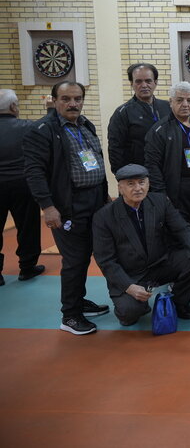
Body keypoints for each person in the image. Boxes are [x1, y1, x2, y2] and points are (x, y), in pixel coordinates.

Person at [23, 81, 110, 335]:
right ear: (54, 100)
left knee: (87, 254)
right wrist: (48, 206)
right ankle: (70, 315)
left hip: (95, 200)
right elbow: (34, 172)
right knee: (75, 259)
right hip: (68, 205)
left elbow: (95, 160)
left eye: (77, 98)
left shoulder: (85, 125)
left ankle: (79, 301)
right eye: (66, 99)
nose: (73, 104)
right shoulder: (42, 130)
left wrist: (104, 194)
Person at [92, 164, 190, 325]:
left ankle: (178, 303)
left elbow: (183, 229)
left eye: (141, 182)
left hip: (160, 263)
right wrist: (129, 286)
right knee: (129, 314)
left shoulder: (160, 201)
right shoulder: (104, 217)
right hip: (131, 274)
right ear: (120, 188)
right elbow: (106, 261)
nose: (138, 188)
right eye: (131, 184)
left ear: (148, 184)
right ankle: (138, 305)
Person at [144, 82, 190, 256]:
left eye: (189, 100)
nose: (185, 104)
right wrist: (161, 193)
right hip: (178, 188)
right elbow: (152, 166)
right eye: (179, 100)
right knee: (180, 230)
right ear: (170, 102)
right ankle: (186, 268)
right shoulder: (159, 130)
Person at [0, 89, 44, 284]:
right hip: (23, 184)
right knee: (28, 226)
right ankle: (27, 267)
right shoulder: (27, 126)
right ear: (13, 106)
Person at [107, 63, 171, 173]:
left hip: (167, 172)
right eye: (138, 81)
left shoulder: (167, 107)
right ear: (131, 83)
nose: (144, 85)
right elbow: (115, 149)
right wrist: (124, 176)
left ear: (155, 82)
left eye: (148, 81)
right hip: (139, 175)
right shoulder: (122, 113)